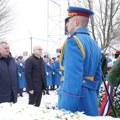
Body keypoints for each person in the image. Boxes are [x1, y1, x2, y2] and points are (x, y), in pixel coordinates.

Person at [58, 6, 102, 116]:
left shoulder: (73, 42)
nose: (66, 24)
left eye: (68, 20)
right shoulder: (94, 44)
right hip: (89, 100)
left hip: (76, 103)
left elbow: (72, 78)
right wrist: (92, 97)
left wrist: (67, 111)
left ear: (77, 22)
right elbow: (98, 76)